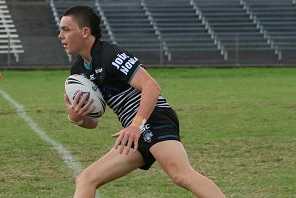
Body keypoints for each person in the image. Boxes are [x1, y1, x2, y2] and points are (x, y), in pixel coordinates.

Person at [59, 5, 226, 198]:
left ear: (85, 32)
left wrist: (137, 125)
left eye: (66, 29)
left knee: (181, 175)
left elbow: (151, 87)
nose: (60, 35)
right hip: (134, 132)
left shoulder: (111, 55)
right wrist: (76, 118)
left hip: (153, 119)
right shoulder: (79, 70)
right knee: (86, 179)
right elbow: (93, 122)